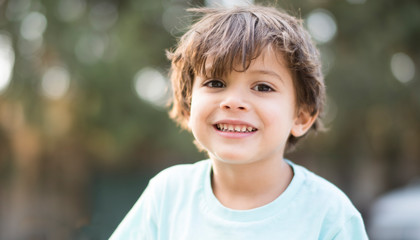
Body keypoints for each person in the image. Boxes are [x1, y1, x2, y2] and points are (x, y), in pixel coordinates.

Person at [110, 4, 368, 239]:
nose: (233, 101)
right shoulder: (167, 196)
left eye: (263, 87)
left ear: (300, 117)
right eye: (215, 83)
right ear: (188, 106)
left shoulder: (330, 214)